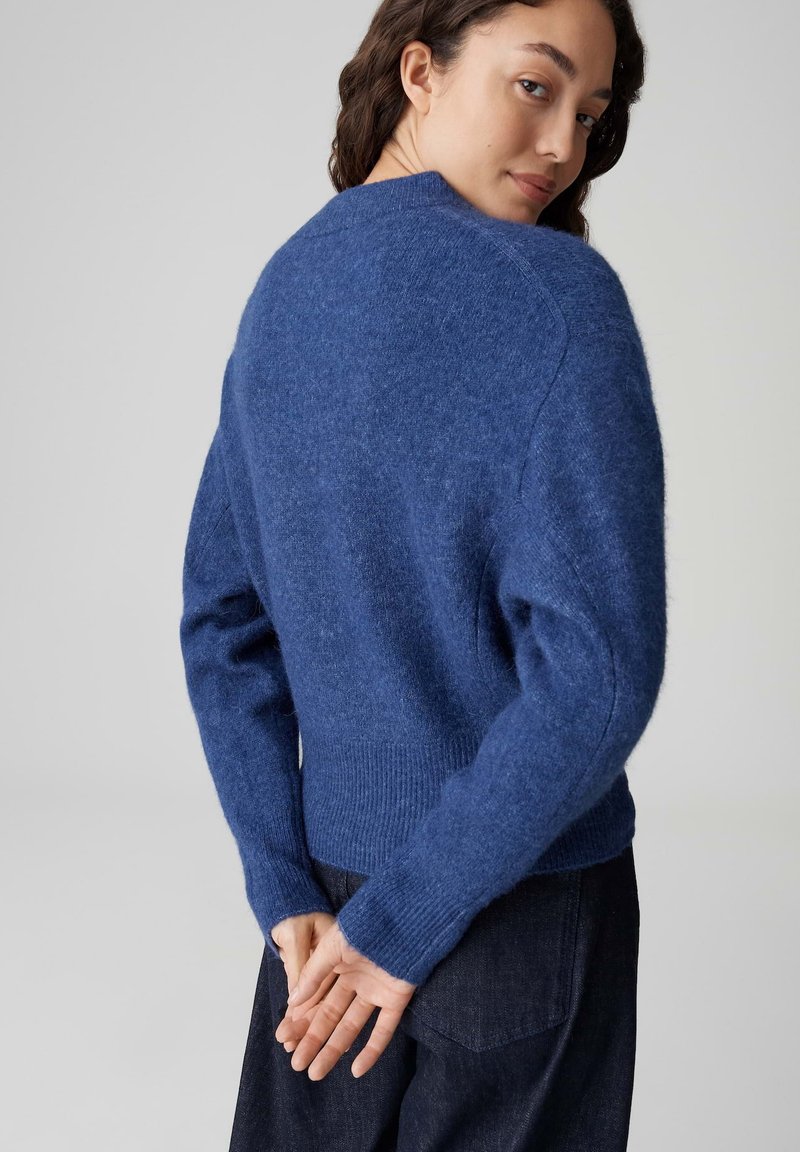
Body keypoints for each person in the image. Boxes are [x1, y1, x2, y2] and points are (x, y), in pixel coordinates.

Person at [178, 0, 667, 1147]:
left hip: (323, 928)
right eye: (536, 87)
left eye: (590, 113)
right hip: (516, 908)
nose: (563, 145)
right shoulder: (559, 297)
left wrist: (284, 888)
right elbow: (596, 677)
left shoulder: (286, 289)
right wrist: (400, 924)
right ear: (419, 71)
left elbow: (221, 621)